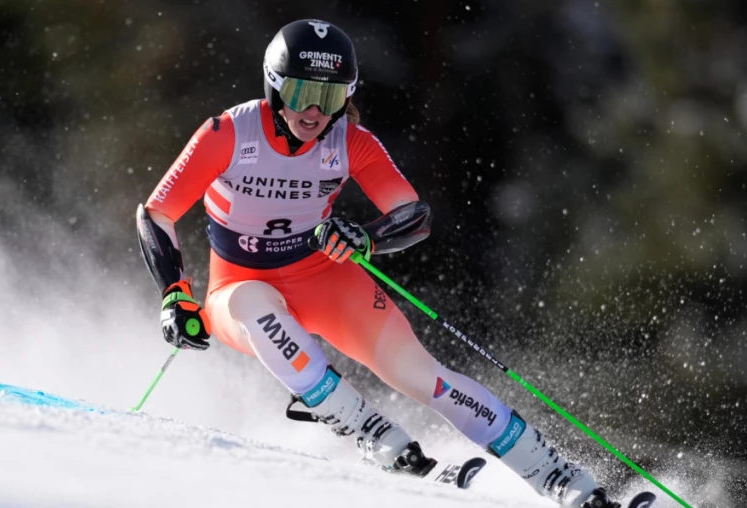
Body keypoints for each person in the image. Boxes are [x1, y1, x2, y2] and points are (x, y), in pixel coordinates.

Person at [138, 19, 618, 508]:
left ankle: (561, 478)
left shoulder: (350, 141)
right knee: (252, 303)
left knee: (425, 376)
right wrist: (174, 292)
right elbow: (156, 213)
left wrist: (364, 238)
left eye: (329, 98)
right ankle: (377, 437)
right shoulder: (228, 132)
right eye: (302, 92)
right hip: (237, 287)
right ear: (275, 86)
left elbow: (413, 216)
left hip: (325, 279)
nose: (312, 111)